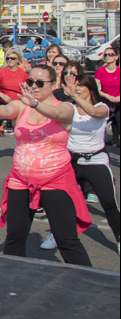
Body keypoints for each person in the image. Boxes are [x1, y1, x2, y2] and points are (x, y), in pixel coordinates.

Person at [0, 65, 91, 266]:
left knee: (66, 239)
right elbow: (7, 110)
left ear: (53, 84)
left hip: (56, 180)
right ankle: (13, 277)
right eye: (30, 82)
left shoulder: (65, 106)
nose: (33, 86)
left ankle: (90, 284)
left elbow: (59, 115)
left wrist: (36, 104)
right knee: (15, 236)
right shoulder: (22, 105)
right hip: (20, 180)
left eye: (40, 83)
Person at [39, 74, 118, 251]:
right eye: (74, 86)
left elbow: (92, 112)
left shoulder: (101, 107)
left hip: (96, 161)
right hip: (72, 161)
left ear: (89, 89)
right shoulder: (70, 109)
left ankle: (119, 239)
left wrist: (73, 96)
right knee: (61, 202)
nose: (76, 89)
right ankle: (57, 235)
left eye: (79, 86)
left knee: (109, 203)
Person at [94, 45, 119, 146]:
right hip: (105, 101)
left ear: (116, 57)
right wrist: (108, 97)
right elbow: (96, 88)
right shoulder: (100, 70)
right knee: (100, 127)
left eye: (110, 54)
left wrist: (118, 98)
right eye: (106, 55)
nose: (108, 56)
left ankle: (116, 139)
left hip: (118, 102)